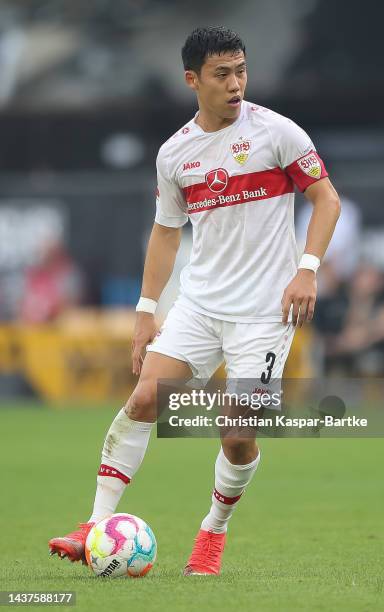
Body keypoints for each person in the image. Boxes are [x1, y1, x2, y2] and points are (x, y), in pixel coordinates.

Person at [49, 26, 340, 575]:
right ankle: (94, 526)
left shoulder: (277, 132)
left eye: (242, 71)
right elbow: (165, 232)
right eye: (222, 74)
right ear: (192, 80)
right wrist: (144, 311)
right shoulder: (175, 154)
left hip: (264, 313)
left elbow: (326, 200)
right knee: (141, 402)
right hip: (201, 306)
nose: (236, 84)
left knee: (236, 435)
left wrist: (307, 270)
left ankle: (212, 531)